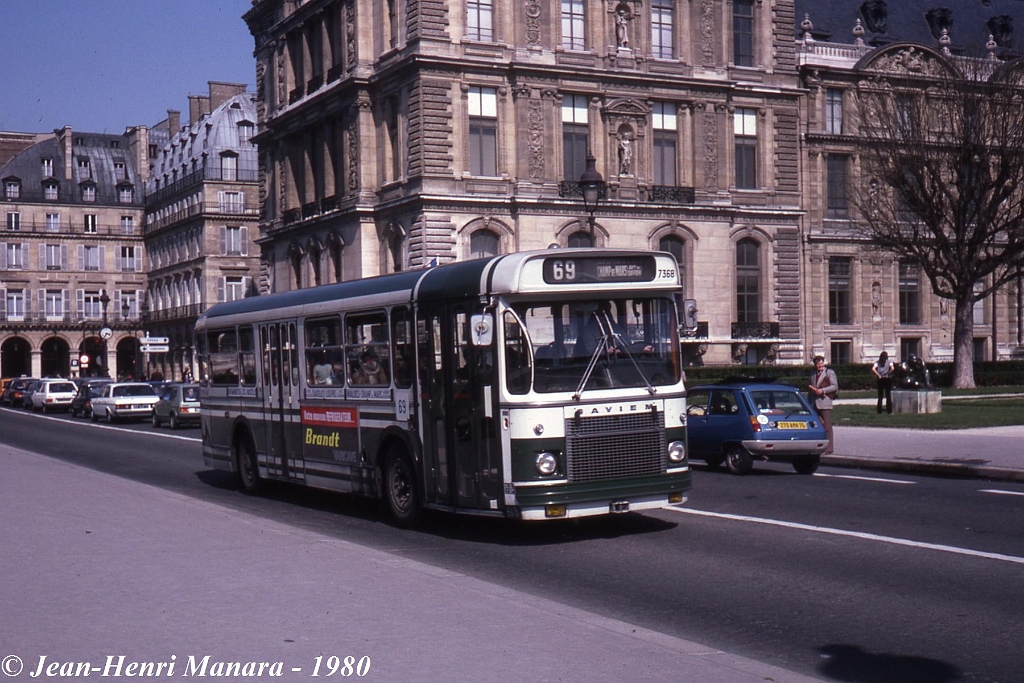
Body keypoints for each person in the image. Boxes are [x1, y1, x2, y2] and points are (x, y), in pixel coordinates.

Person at [808, 355, 839, 455]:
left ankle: (829, 448)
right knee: (817, 425)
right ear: (815, 365)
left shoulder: (829, 373)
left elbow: (835, 386)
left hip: (825, 402)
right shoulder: (813, 374)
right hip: (814, 403)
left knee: (827, 425)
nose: (820, 366)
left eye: (821, 363)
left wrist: (823, 390)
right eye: (818, 364)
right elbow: (810, 391)